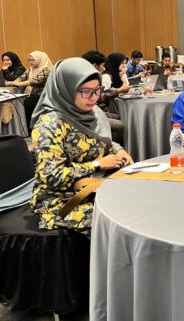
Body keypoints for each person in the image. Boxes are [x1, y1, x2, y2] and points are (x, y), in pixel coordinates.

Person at [30, 58, 133, 235]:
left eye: (97, 90)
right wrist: (97, 164)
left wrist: (118, 150)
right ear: (66, 90)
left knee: (137, 201)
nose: (94, 97)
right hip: (61, 201)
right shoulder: (49, 125)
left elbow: (101, 140)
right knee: (121, 219)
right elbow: (52, 177)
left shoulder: (92, 113)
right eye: (86, 92)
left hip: (93, 186)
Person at [82, 51, 125, 144]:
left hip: (92, 111)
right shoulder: (85, 79)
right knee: (119, 125)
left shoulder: (91, 77)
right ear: (94, 66)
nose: (104, 68)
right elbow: (98, 98)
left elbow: (99, 93)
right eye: (102, 65)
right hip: (85, 116)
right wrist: (119, 91)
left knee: (118, 116)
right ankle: (109, 148)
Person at [5, 51, 53, 129]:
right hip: (32, 94)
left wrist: (17, 84)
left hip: (43, 95)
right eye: (29, 60)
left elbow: (34, 81)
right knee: (19, 102)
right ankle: (24, 127)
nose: (30, 62)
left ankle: (30, 127)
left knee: (25, 103)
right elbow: (22, 77)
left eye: (33, 60)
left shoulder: (46, 69)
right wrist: (14, 82)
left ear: (40, 59)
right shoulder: (31, 69)